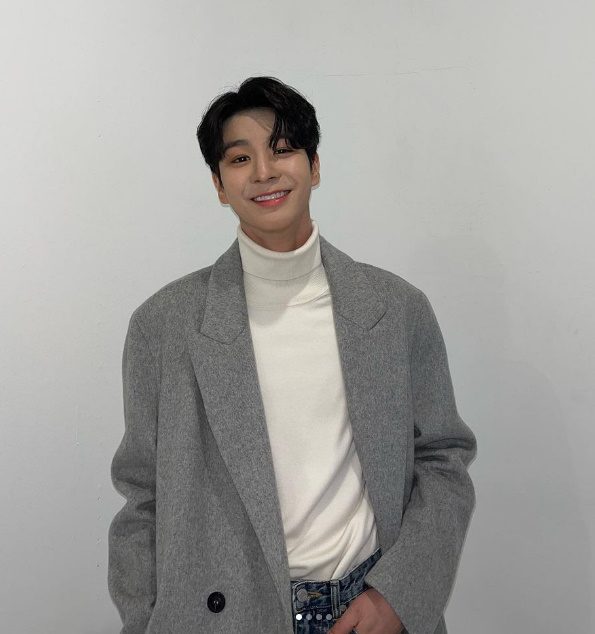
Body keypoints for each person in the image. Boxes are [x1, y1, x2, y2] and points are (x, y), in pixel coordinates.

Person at [108, 76, 476, 634]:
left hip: (368, 609)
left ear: (315, 166)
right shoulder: (165, 325)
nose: (264, 171)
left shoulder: (395, 308)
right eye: (240, 158)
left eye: (282, 149)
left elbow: (444, 459)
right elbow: (142, 497)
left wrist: (400, 596)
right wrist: (144, 622)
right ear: (219, 184)